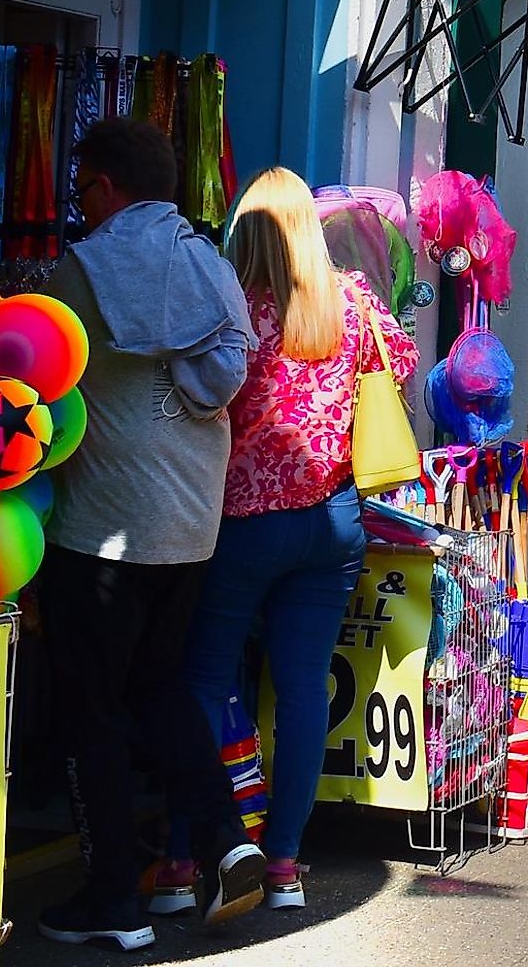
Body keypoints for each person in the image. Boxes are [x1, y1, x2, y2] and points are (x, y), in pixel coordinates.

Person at [152, 170, 418, 918]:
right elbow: (400, 368)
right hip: (332, 522)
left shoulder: (231, 309)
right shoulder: (355, 302)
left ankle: (183, 859)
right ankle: (284, 867)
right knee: (302, 691)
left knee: (203, 682)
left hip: (236, 525)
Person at [36, 120, 263, 949]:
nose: (79, 205)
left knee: (91, 713)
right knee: (160, 689)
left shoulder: (83, 270)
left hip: (102, 533)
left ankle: (112, 902)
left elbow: (28, 369)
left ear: (104, 187)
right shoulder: (213, 265)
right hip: (189, 528)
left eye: (82, 188)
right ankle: (229, 838)